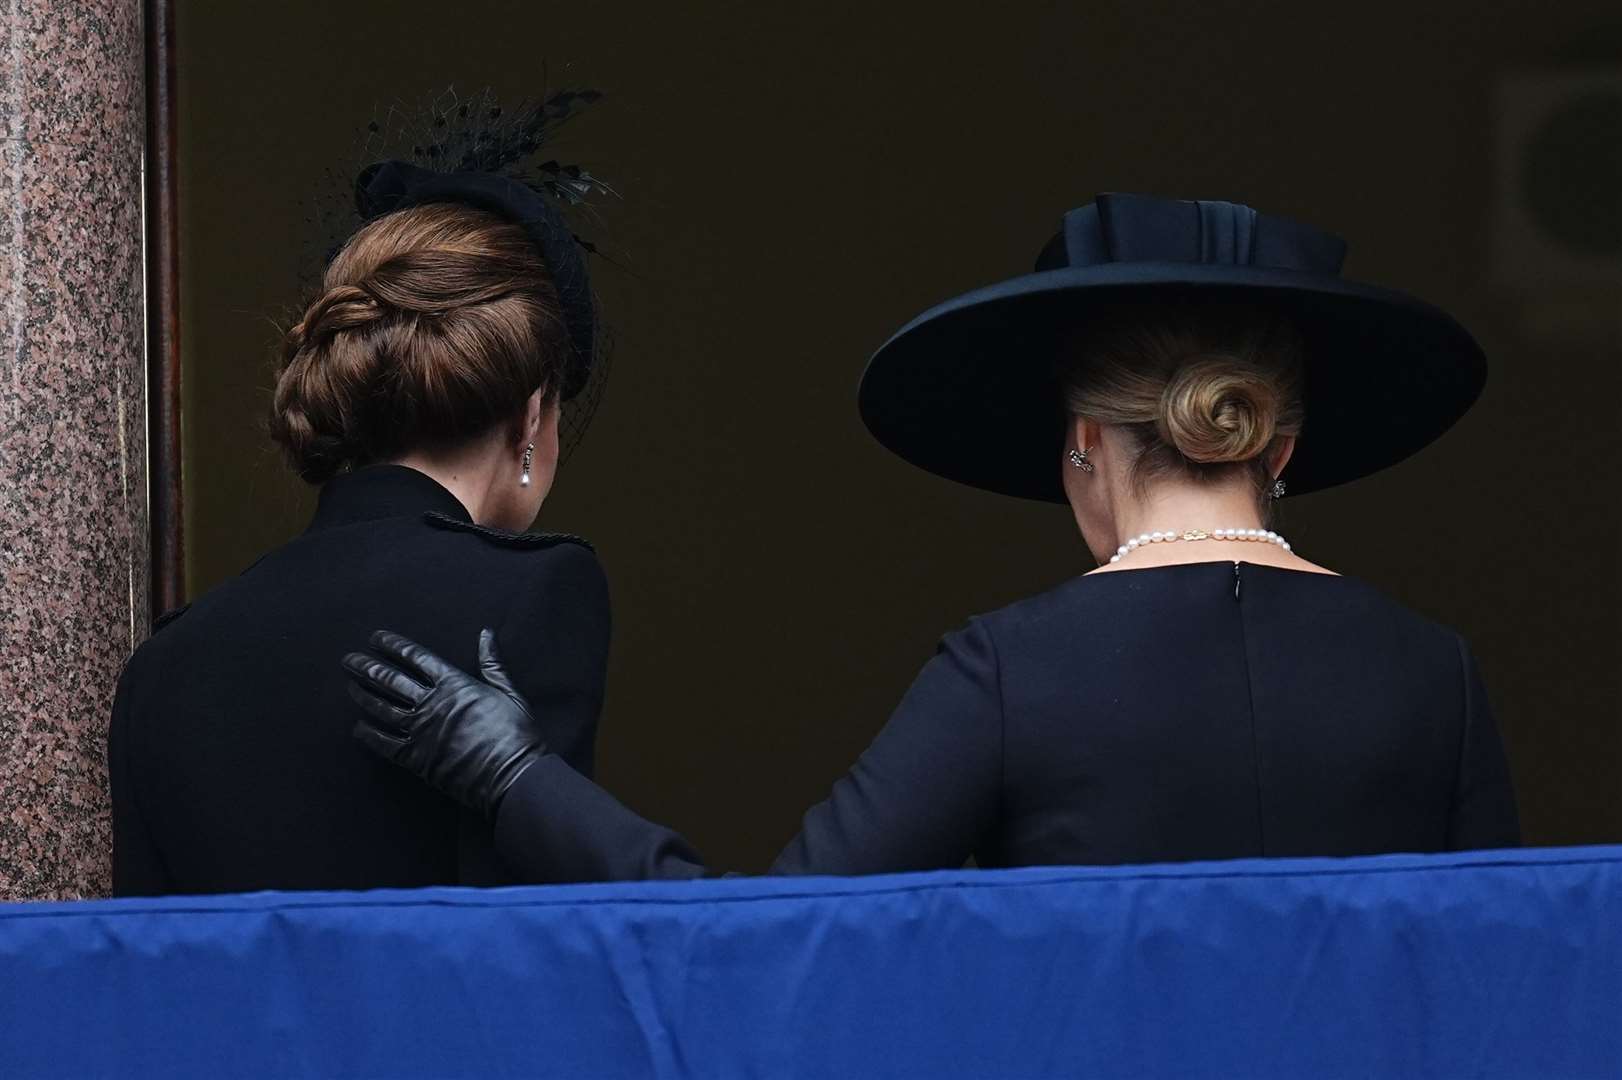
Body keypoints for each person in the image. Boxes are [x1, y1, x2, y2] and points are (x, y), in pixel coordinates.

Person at [345, 192, 1521, 881]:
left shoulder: (1011, 668)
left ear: (1079, 443)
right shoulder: (1437, 676)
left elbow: (777, 944)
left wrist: (511, 776)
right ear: (1281, 448)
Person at [109, 100, 616, 894]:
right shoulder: (536, 590)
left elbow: (142, 967)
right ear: (530, 415)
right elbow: (532, 929)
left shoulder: (164, 664)